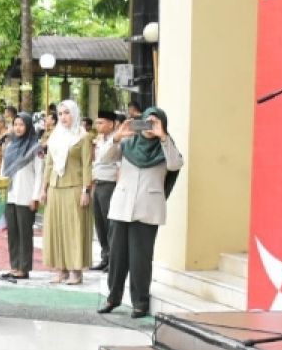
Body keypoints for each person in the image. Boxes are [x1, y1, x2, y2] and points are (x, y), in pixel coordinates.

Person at [97, 107, 184, 319]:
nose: (149, 126)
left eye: (154, 122)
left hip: (148, 209)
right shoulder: (127, 144)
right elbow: (104, 158)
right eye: (147, 121)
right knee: (117, 257)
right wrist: (117, 137)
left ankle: (140, 302)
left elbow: (175, 164)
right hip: (121, 207)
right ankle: (113, 298)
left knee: (140, 259)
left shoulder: (166, 148)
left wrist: (163, 136)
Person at [39, 100, 94, 285]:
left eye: (67, 113)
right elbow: (49, 164)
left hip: (74, 186)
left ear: (75, 114)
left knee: (73, 229)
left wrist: (86, 190)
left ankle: (75, 271)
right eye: (60, 113)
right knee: (56, 228)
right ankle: (60, 269)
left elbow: (87, 165)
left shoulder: (83, 136)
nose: (63, 117)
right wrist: (43, 188)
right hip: (55, 187)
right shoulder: (55, 136)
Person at [0, 113, 43, 281]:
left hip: (26, 196)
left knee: (25, 233)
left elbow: (40, 173)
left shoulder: (35, 147)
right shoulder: (9, 147)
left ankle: (24, 268)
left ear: (28, 126)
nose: (18, 128)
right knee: (13, 233)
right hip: (10, 194)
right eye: (15, 124)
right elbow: (3, 171)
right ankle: (14, 266)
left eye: (21, 125)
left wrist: (36, 196)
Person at [90, 110, 122, 273]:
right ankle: (105, 256)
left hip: (109, 184)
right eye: (97, 122)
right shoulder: (100, 139)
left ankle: (113, 260)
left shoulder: (117, 139)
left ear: (111, 124)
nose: (98, 125)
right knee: (100, 223)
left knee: (110, 224)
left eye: (101, 122)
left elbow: (106, 157)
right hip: (98, 182)